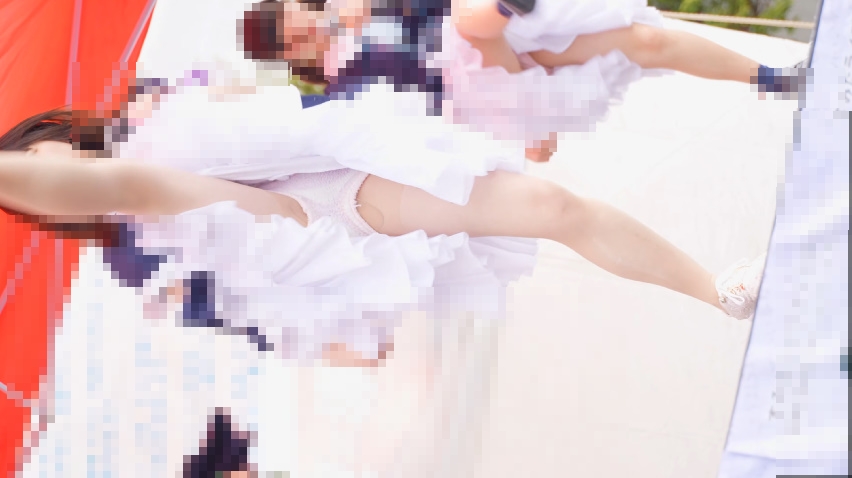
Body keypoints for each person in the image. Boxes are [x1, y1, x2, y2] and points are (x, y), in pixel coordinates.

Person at [1, 95, 765, 368]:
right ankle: (718, 292)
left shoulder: (153, 120)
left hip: (334, 180)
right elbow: (224, 310)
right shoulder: (134, 249)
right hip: (307, 250)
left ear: (62, 136)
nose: (52, 180)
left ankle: (717, 291)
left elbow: (289, 115)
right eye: (40, 193)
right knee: (557, 212)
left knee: (555, 210)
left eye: (42, 160)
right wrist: (327, 345)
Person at [238, 0, 806, 161]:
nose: (305, 26)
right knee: (470, 25)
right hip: (481, 78)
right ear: (289, 57)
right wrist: (523, 129)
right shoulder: (345, 90)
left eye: (296, 14)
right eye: (291, 37)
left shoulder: (354, 7)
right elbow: (424, 116)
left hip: (498, 32)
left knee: (645, 41)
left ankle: (773, 78)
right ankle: (502, 12)